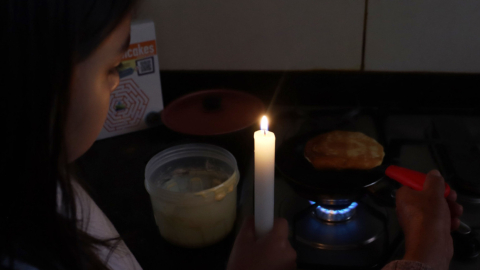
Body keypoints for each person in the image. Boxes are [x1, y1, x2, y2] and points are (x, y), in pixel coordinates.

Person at [1, 1, 463, 270]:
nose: (118, 82)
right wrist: (426, 253)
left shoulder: (38, 186)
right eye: (109, 67)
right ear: (39, 81)